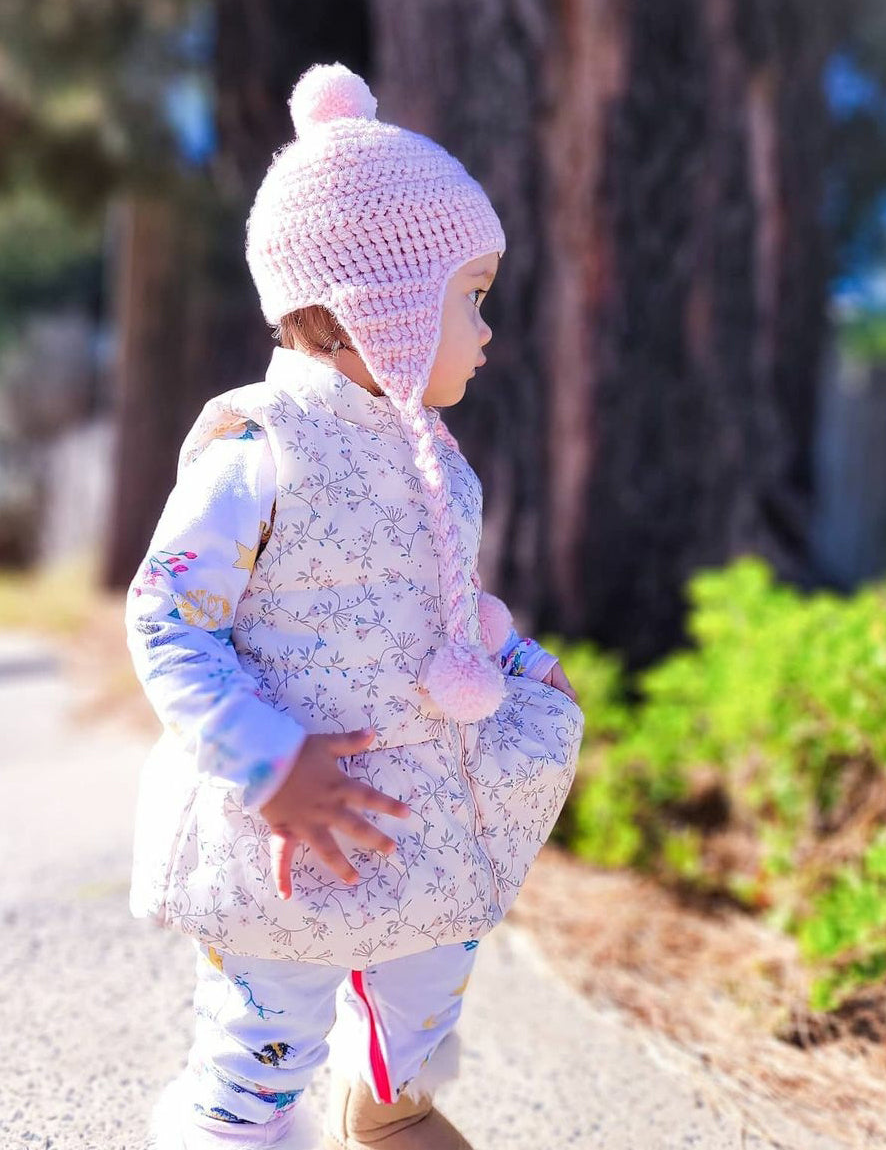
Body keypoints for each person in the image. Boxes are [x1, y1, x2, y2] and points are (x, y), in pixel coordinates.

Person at [126, 62, 585, 1150]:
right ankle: (240, 1125)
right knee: (261, 1047)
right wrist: (268, 763)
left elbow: (439, 597)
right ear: (371, 306)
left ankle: (389, 1099)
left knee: (426, 981)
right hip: (286, 829)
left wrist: (507, 652)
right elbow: (167, 619)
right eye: (467, 296)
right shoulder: (258, 449)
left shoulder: (432, 456)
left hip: (416, 808)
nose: (484, 331)